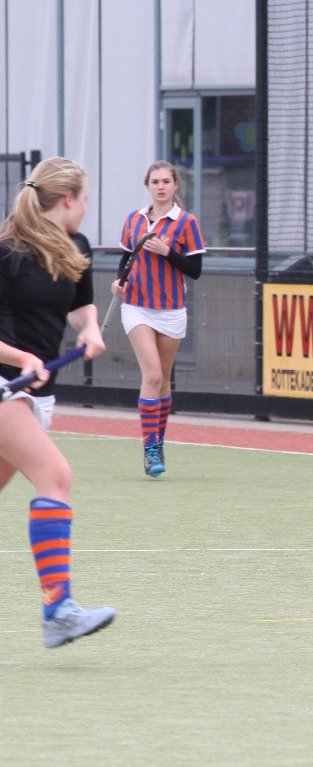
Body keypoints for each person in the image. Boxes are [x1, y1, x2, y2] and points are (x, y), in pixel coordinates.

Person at [0, 157, 115, 647]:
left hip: (38, 395)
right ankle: (58, 610)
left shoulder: (76, 246)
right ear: (67, 199)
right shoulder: (7, 252)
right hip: (7, 387)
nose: (87, 208)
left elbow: (80, 306)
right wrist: (22, 357)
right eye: (85, 199)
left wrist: (89, 329)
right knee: (56, 476)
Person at [112, 161, 206, 477]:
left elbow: (195, 271)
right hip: (137, 306)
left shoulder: (187, 222)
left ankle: (158, 442)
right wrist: (119, 281)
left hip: (171, 310)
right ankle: (150, 449)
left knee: (163, 381)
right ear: (148, 186)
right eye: (155, 182)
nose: (161, 186)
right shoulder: (134, 219)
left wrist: (167, 252)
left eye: (166, 181)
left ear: (175, 185)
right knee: (151, 375)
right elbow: (126, 258)